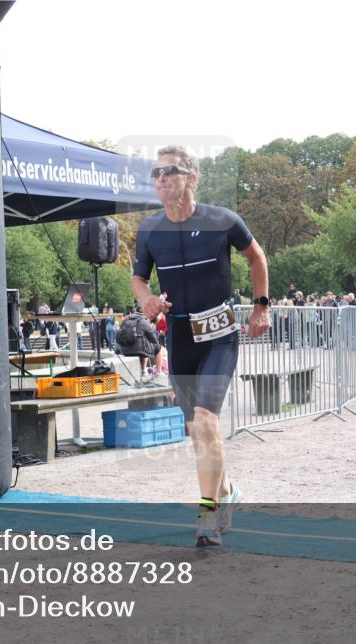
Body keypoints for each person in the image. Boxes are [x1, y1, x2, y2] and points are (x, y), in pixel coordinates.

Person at [132, 145, 269, 547]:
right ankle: (227, 493)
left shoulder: (222, 220)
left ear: (190, 178)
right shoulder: (149, 230)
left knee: (207, 421)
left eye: (167, 172)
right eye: (154, 173)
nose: (159, 179)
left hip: (219, 336)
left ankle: (208, 512)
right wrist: (146, 299)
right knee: (196, 429)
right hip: (180, 337)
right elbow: (139, 278)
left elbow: (256, 257)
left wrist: (261, 308)